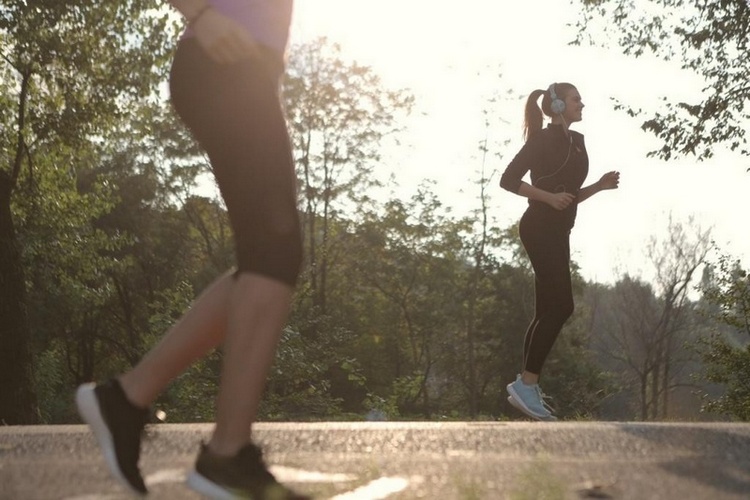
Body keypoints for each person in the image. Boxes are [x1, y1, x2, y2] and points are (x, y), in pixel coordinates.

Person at [75, 1, 309, 498]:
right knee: (275, 252)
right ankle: (225, 457)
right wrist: (201, 13)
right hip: (221, 60)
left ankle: (128, 398)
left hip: (245, 72)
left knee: (266, 258)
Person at [499, 82, 620, 421]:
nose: (582, 104)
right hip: (538, 227)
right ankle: (526, 384)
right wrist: (548, 198)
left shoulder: (577, 143)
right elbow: (508, 180)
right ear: (556, 105)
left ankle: (527, 386)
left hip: (558, 230)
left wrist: (598, 186)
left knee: (546, 310)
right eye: (575, 99)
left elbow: (568, 195)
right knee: (562, 306)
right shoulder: (541, 141)